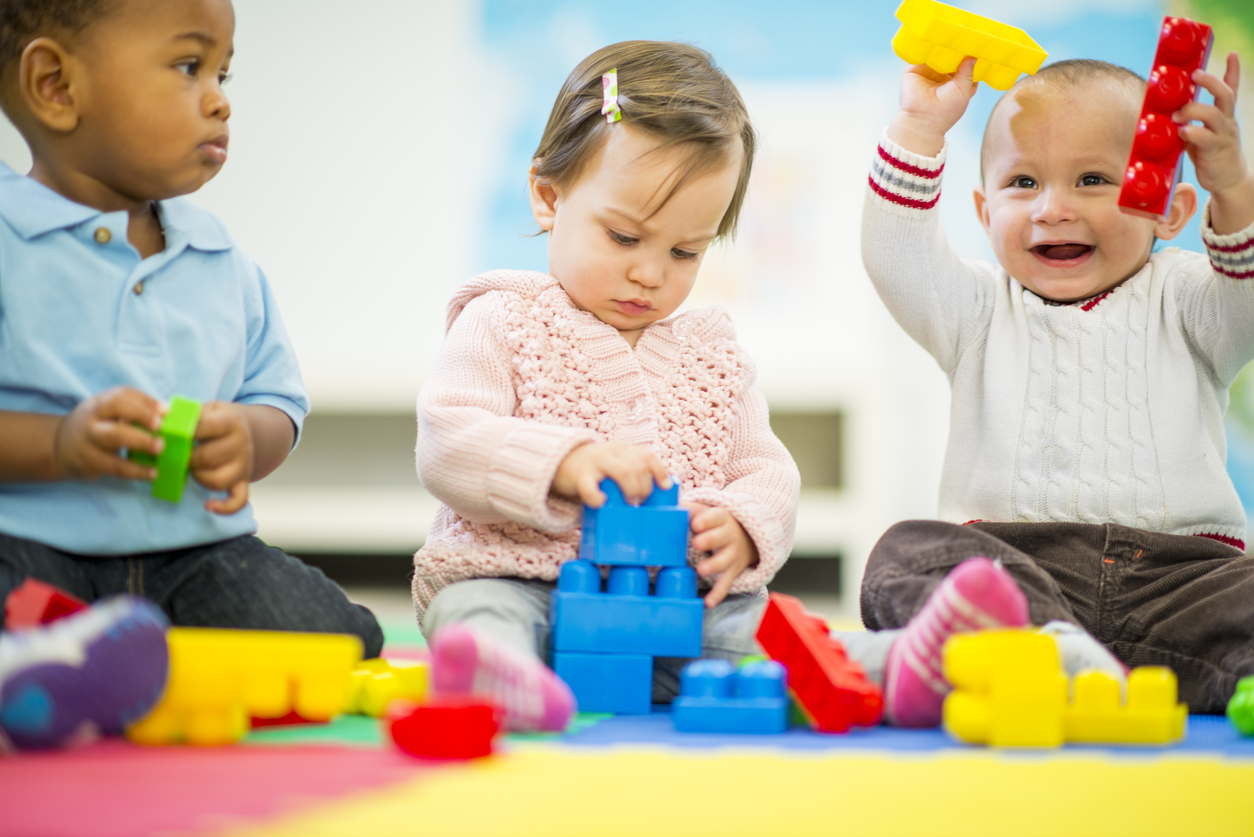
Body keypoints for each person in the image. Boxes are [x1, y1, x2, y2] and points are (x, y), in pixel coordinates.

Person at [851, 51, 1254, 724]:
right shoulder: (975, 308)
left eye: (1092, 179)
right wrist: (920, 127)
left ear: (1171, 208)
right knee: (904, 555)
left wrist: (1233, 187)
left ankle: (1194, 670)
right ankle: (1043, 649)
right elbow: (895, 255)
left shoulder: (1187, 296)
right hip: (1018, 571)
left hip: (1182, 580)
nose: (1053, 208)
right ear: (983, 212)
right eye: (1023, 182)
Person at [414, 41, 800, 731]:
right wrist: (560, 462)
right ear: (547, 196)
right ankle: (498, 677)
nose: (652, 273)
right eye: (624, 237)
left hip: (675, 611)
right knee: (476, 612)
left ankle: (889, 665)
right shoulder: (501, 318)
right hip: (523, 583)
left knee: (771, 641)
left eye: (685, 251)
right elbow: (447, 441)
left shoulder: (715, 356)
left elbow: (766, 468)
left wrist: (745, 525)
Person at [0, 0, 382, 660]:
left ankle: (105, 663)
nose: (220, 102)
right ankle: (80, 661)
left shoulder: (222, 258)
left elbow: (278, 401)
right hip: (30, 547)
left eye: (222, 75)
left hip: (197, 554)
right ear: (56, 87)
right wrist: (60, 445)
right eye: (188, 67)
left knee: (341, 639)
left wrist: (247, 437)